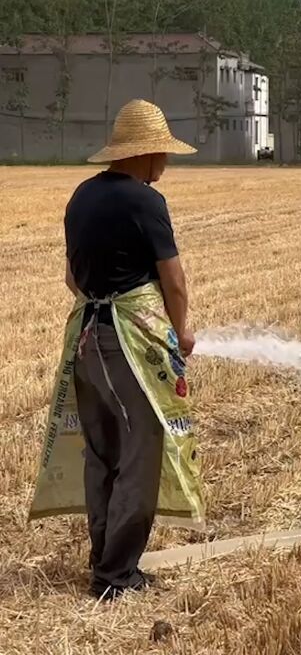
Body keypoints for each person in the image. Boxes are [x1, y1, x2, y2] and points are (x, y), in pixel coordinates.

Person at [63, 98, 198, 599]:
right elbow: (175, 281)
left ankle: (104, 559)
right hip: (126, 344)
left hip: (84, 339)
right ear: (140, 155)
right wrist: (181, 333)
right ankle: (116, 575)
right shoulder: (145, 202)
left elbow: (72, 278)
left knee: (102, 454)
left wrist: (100, 303)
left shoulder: (81, 197)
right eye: (161, 153)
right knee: (142, 453)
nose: (165, 163)